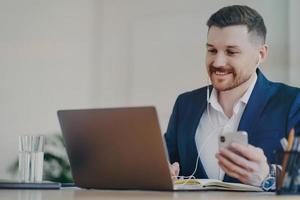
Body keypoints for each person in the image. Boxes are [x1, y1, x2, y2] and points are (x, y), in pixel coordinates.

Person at [164, 5, 300, 190]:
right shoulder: (185, 104)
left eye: (231, 52)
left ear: (260, 54)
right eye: (212, 50)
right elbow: (167, 163)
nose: (218, 62)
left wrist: (267, 175)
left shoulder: (292, 102)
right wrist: (164, 173)